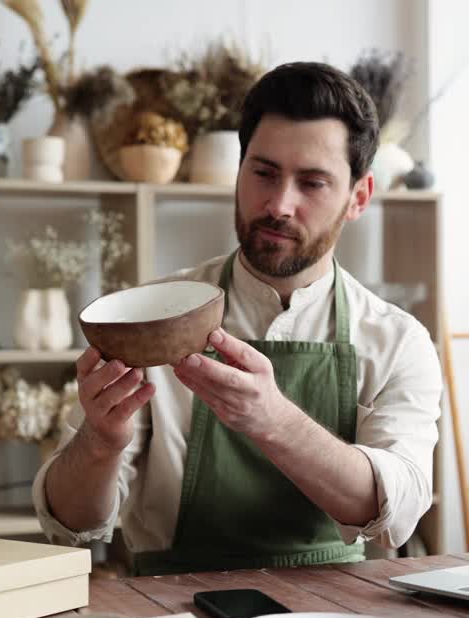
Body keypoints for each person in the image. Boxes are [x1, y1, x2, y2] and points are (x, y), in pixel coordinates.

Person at [32, 61, 443, 575]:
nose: (278, 205)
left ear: (358, 197)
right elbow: (71, 525)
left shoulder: (397, 339)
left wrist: (273, 421)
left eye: (312, 183)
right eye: (264, 173)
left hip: (335, 609)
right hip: (172, 608)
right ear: (239, 170)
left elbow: (396, 514)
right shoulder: (148, 319)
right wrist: (99, 442)